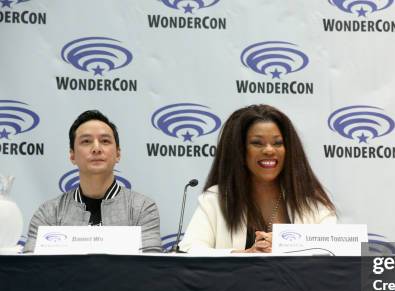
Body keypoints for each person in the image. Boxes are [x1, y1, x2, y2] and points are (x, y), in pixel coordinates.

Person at [179, 104, 336, 253]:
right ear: (238, 150)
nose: (269, 150)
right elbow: (190, 249)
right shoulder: (216, 199)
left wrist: (286, 245)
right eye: (257, 143)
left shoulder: (312, 202)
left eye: (277, 143)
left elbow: (336, 250)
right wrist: (245, 254)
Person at [24, 110, 161, 253]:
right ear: (72, 155)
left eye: (105, 141)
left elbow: (151, 268)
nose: (96, 148)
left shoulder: (142, 209)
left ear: (118, 154)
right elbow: (32, 269)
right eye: (86, 141)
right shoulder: (49, 213)